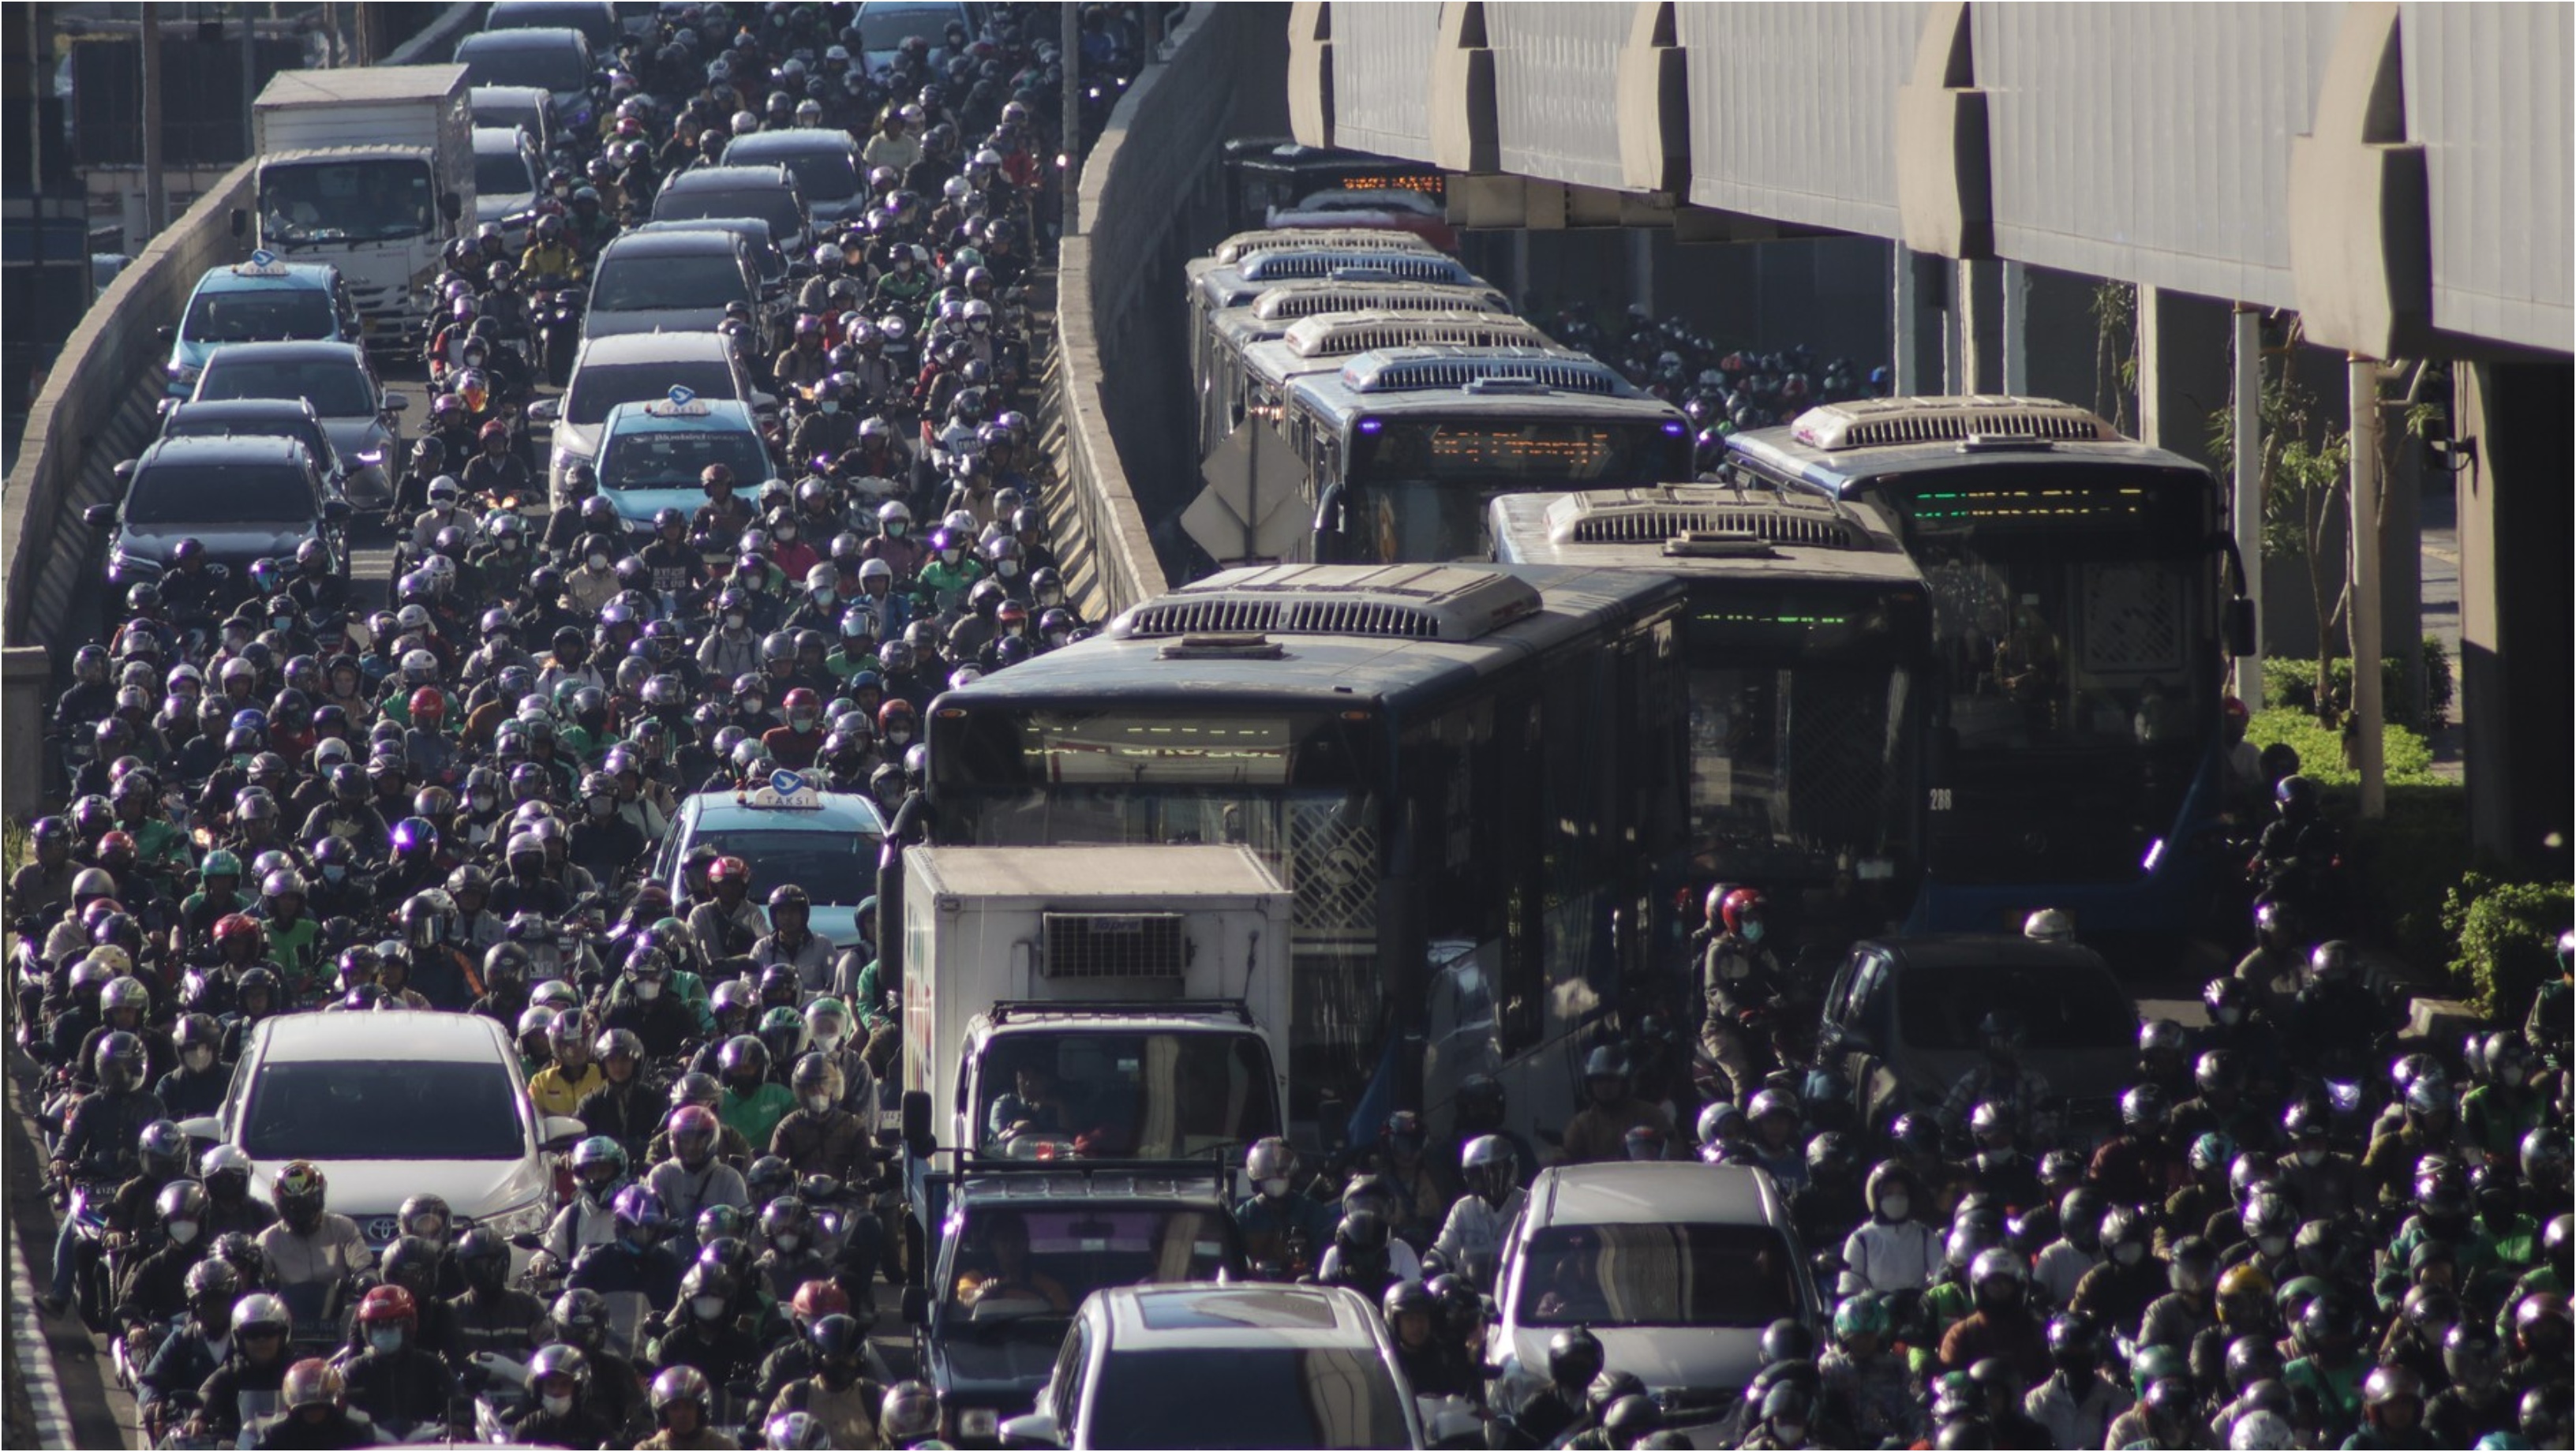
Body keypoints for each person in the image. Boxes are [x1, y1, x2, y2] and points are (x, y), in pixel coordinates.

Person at [1559, 1048, 1676, 1165]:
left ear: (1623, 1082)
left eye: (1611, 1080)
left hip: (1642, 1180)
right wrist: (1557, 1157)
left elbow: (1674, 1147)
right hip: (1597, 1182)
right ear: (1590, 1085)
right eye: (1599, 1081)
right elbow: (1565, 1159)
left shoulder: (1648, 1114)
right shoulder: (1582, 1124)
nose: (1605, 1087)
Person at [951, 1213, 1070, 1312]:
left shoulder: (1048, 1287)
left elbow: (1062, 1319)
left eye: (1016, 1239)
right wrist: (983, 1293)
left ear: (1026, 1244)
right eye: (1003, 1240)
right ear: (992, 1244)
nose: (1010, 1246)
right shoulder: (974, 1279)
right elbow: (967, 1298)